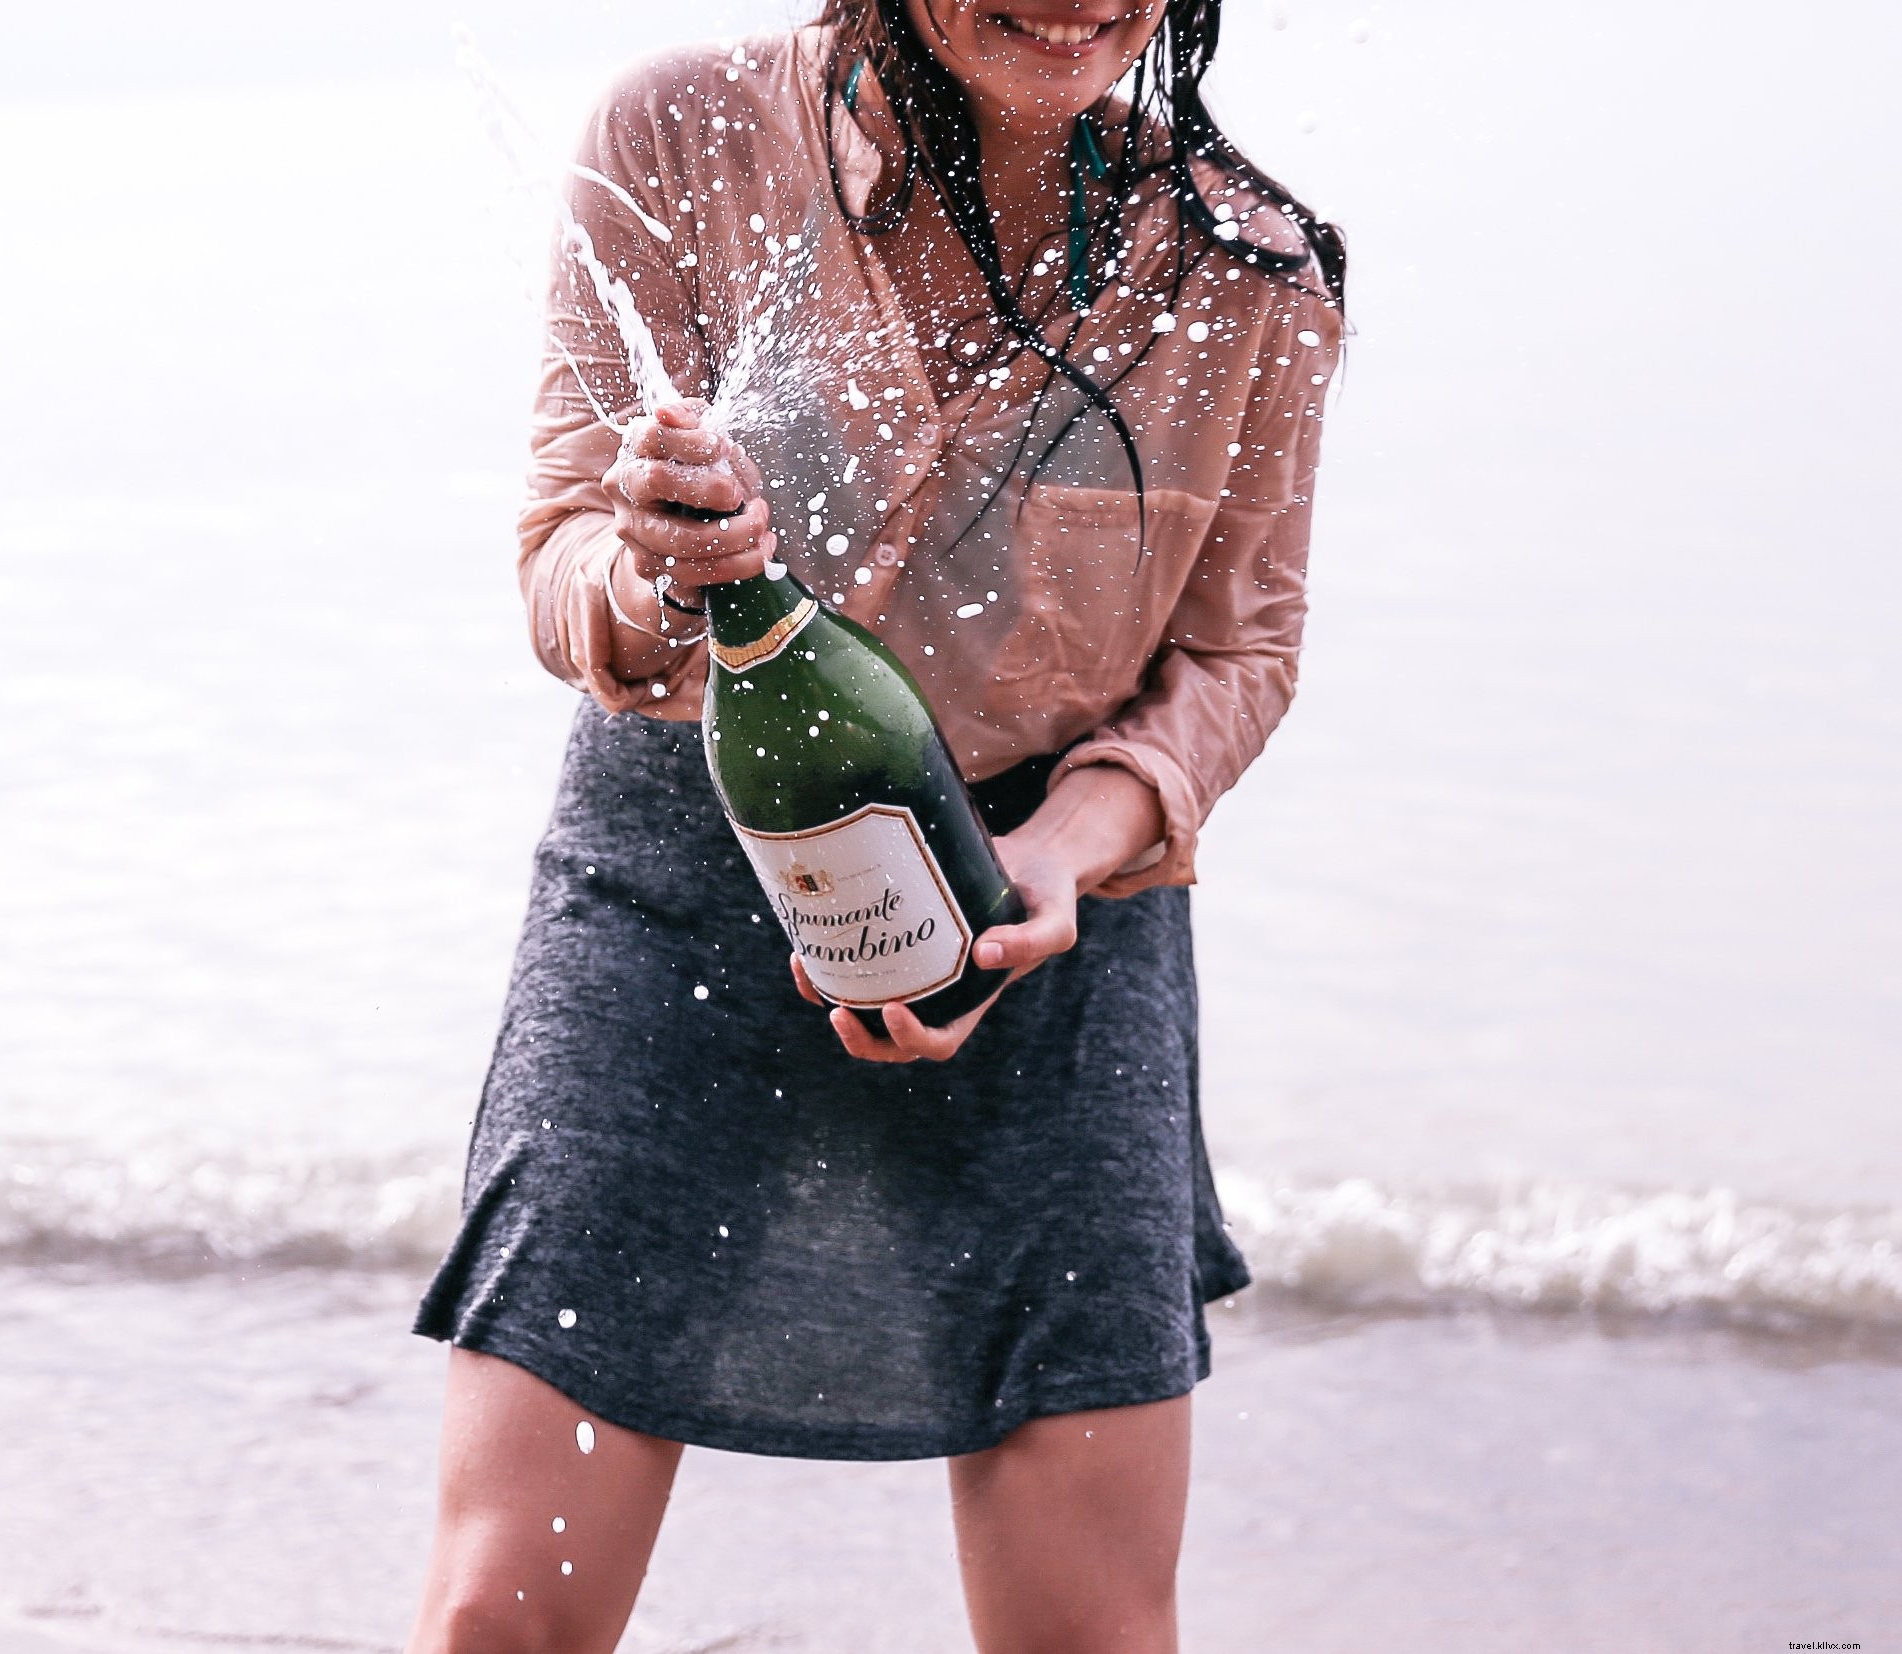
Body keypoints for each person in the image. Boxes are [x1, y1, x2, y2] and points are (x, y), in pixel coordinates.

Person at [410, 1, 1344, 1647]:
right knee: (505, 1614)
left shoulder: (1247, 266)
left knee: (1092, 1630)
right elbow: (560, 563)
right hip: (675, 885)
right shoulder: (681, 131)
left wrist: (1060, 853)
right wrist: (654, 569)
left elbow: (1237, 651)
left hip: (1060, 913)